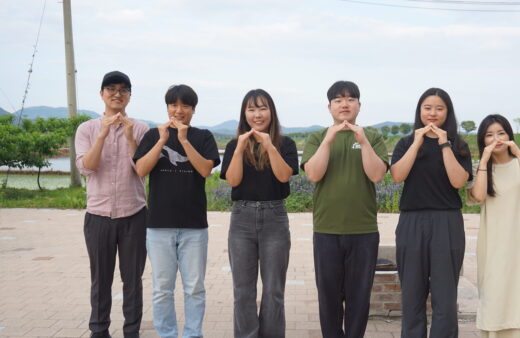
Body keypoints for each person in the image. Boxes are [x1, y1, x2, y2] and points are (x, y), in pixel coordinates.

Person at [302, 80, 389, 337]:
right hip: (327, 230)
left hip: (363, 231)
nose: (344, 104)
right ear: (329, 106)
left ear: (359, 105)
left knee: (359, 298)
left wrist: (363, 143)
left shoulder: (371, 136)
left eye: (350, 99)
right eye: (338, 100)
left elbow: (377, 175)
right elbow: (314, 174)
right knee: (328, 299)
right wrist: (328, 141)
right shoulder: (318, 137)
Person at [133, 84, 220, 338]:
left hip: (194, 226)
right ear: (167, 107)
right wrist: (162, 140)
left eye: (185, 105)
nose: (178, 110)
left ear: (193, 109)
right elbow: (140, 170)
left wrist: (182, 139)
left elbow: (205, 169)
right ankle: (167, 334)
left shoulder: (203, 136)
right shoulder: (152, 135)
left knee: (194, 287)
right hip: (159, 225)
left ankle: (193, 334)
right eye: (173, 105)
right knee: (162, 288)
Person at [390, 87, 472, 337]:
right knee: (412, 293)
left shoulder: (458, 144)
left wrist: (444, 144)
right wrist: (417, 143)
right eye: (427, 108)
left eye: (439, 108)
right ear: (419, 111)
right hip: (411, 221)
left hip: (446, 221)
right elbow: (397, 176)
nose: (433, 113)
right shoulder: (405, 143)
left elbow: (459, 182)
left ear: (448, 112)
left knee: (445, 295)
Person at [75, 71, 149, 338]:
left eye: (123, 89)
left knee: (132, 280)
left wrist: (130, 139)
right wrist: (103, 134)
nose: (117, 94)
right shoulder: (87, 129)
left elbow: (141, 170)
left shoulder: (141, 129)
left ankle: (132, 332)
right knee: (100, 279)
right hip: (98, 215)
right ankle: (99, 330)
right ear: (102, 94)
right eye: (111, 89)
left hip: (135, 214)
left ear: (130, 95)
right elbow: (88, 167)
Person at [220, 89, 299, 337]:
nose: (257, 114)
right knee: (243, 291)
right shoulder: (235, 144)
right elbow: (233, 180)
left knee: (274, 289)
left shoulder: (286, 144)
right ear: (244, 114)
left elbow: (284, 176)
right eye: (251, 109)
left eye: (262, 108)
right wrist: (240, 147)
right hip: (241, 218)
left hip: (275, 216)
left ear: (271, 112)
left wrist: (268, 145)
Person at [467, 114, 520, 338]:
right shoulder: (481, 169)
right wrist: (483, 161)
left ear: (509, 135)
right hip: (493, 242)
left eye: (501, 133)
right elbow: (479, 196)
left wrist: (519, 154)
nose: (496, 139)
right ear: (483, 141)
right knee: (495, 291)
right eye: (489, 135)